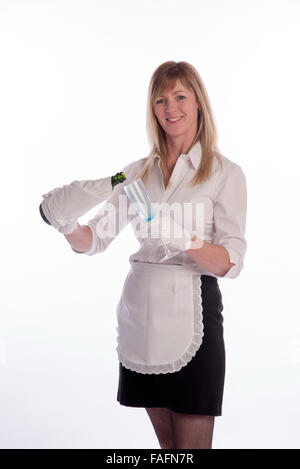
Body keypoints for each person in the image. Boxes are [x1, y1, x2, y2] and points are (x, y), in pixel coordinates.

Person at [40, 61, 247, 449]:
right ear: (152, 109)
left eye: (180, 96)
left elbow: (230, 262)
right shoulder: (134, 173)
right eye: (161, 100)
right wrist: (65, 224)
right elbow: (94, 239)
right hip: (141, 317)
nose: (171, 108)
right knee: (169, 452)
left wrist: (181, 238)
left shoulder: (225, 173)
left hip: (195, 315)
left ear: (199, 102)